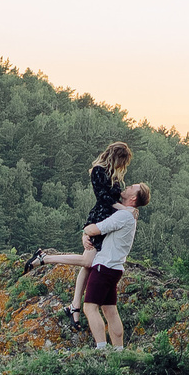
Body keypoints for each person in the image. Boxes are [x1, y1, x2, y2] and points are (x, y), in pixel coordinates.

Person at [28, 183, 147, 349]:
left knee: (90, 308)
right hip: (116, 269)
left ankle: (101, 348)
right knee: (110, 311)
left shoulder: (123, 216)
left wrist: (86, 231)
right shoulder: (128, 216)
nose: (127, 186)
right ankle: (119, 351)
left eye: (132, 187)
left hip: (103, 268)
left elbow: (95, 229)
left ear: (133, 198)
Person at [66, 142, 133, 322]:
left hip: (110, 220)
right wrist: (125, 211)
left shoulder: (114, 174)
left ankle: (75, 306)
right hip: (100, 218)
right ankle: (75, 305)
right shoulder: (98, 171)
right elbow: (103, 198)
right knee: (87, 262)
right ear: (116, 157)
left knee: (90, 263)